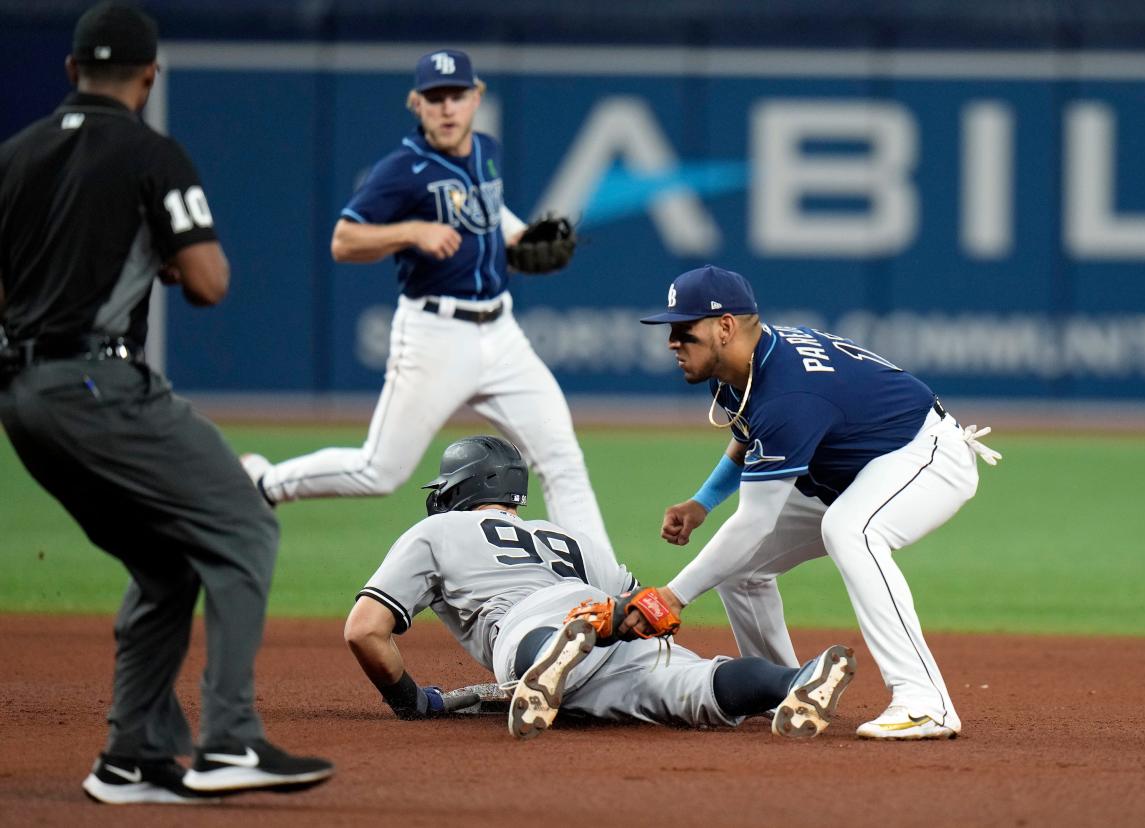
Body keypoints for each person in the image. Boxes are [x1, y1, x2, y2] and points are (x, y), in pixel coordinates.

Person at [0, 2, 333, 804]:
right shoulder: (152, 153)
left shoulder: (12, 156)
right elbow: (210, 281)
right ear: (149, 77)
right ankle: (229, 741)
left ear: (72, 69)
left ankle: (132, 756)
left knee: (164, 559)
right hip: (100, 384)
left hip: (22, 396)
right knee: (243, 522)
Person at [242, 48, 613, 559]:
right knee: (379, 471)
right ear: (416, 103)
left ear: (476, 97)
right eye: (434, 98)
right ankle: (264, 483)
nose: (446, 108)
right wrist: (412, 229)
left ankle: (600, 583)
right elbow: (344, 240)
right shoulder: (402, 170)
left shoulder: (484, 149)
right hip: (436, 334)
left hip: (502, 334)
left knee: (561, 457)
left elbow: (488, 206)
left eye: (456, 95)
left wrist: (517, 233)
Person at [634, 265, 1002, 740]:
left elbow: (756, 519)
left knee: (853, 530)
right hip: (859, 473)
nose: (671, 341)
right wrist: (704, 501)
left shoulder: (789, 390)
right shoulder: (735, 370)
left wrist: (671, 597)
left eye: (684, 330)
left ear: (725, 327)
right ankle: (790, 687)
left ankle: (925, 700)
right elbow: (751, 439)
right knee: (740, 570)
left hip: (927, 456)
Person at [343, 435, 859, 740]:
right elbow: (639, 607)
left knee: (525, 643)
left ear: (459, 488)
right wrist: (616, 618)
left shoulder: (436, 531)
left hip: (533, 621)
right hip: (601, 613)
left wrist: (411, 701)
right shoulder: (567, 535)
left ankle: (562, 648)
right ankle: (795, 678)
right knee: (700, 683)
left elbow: (365, 631)